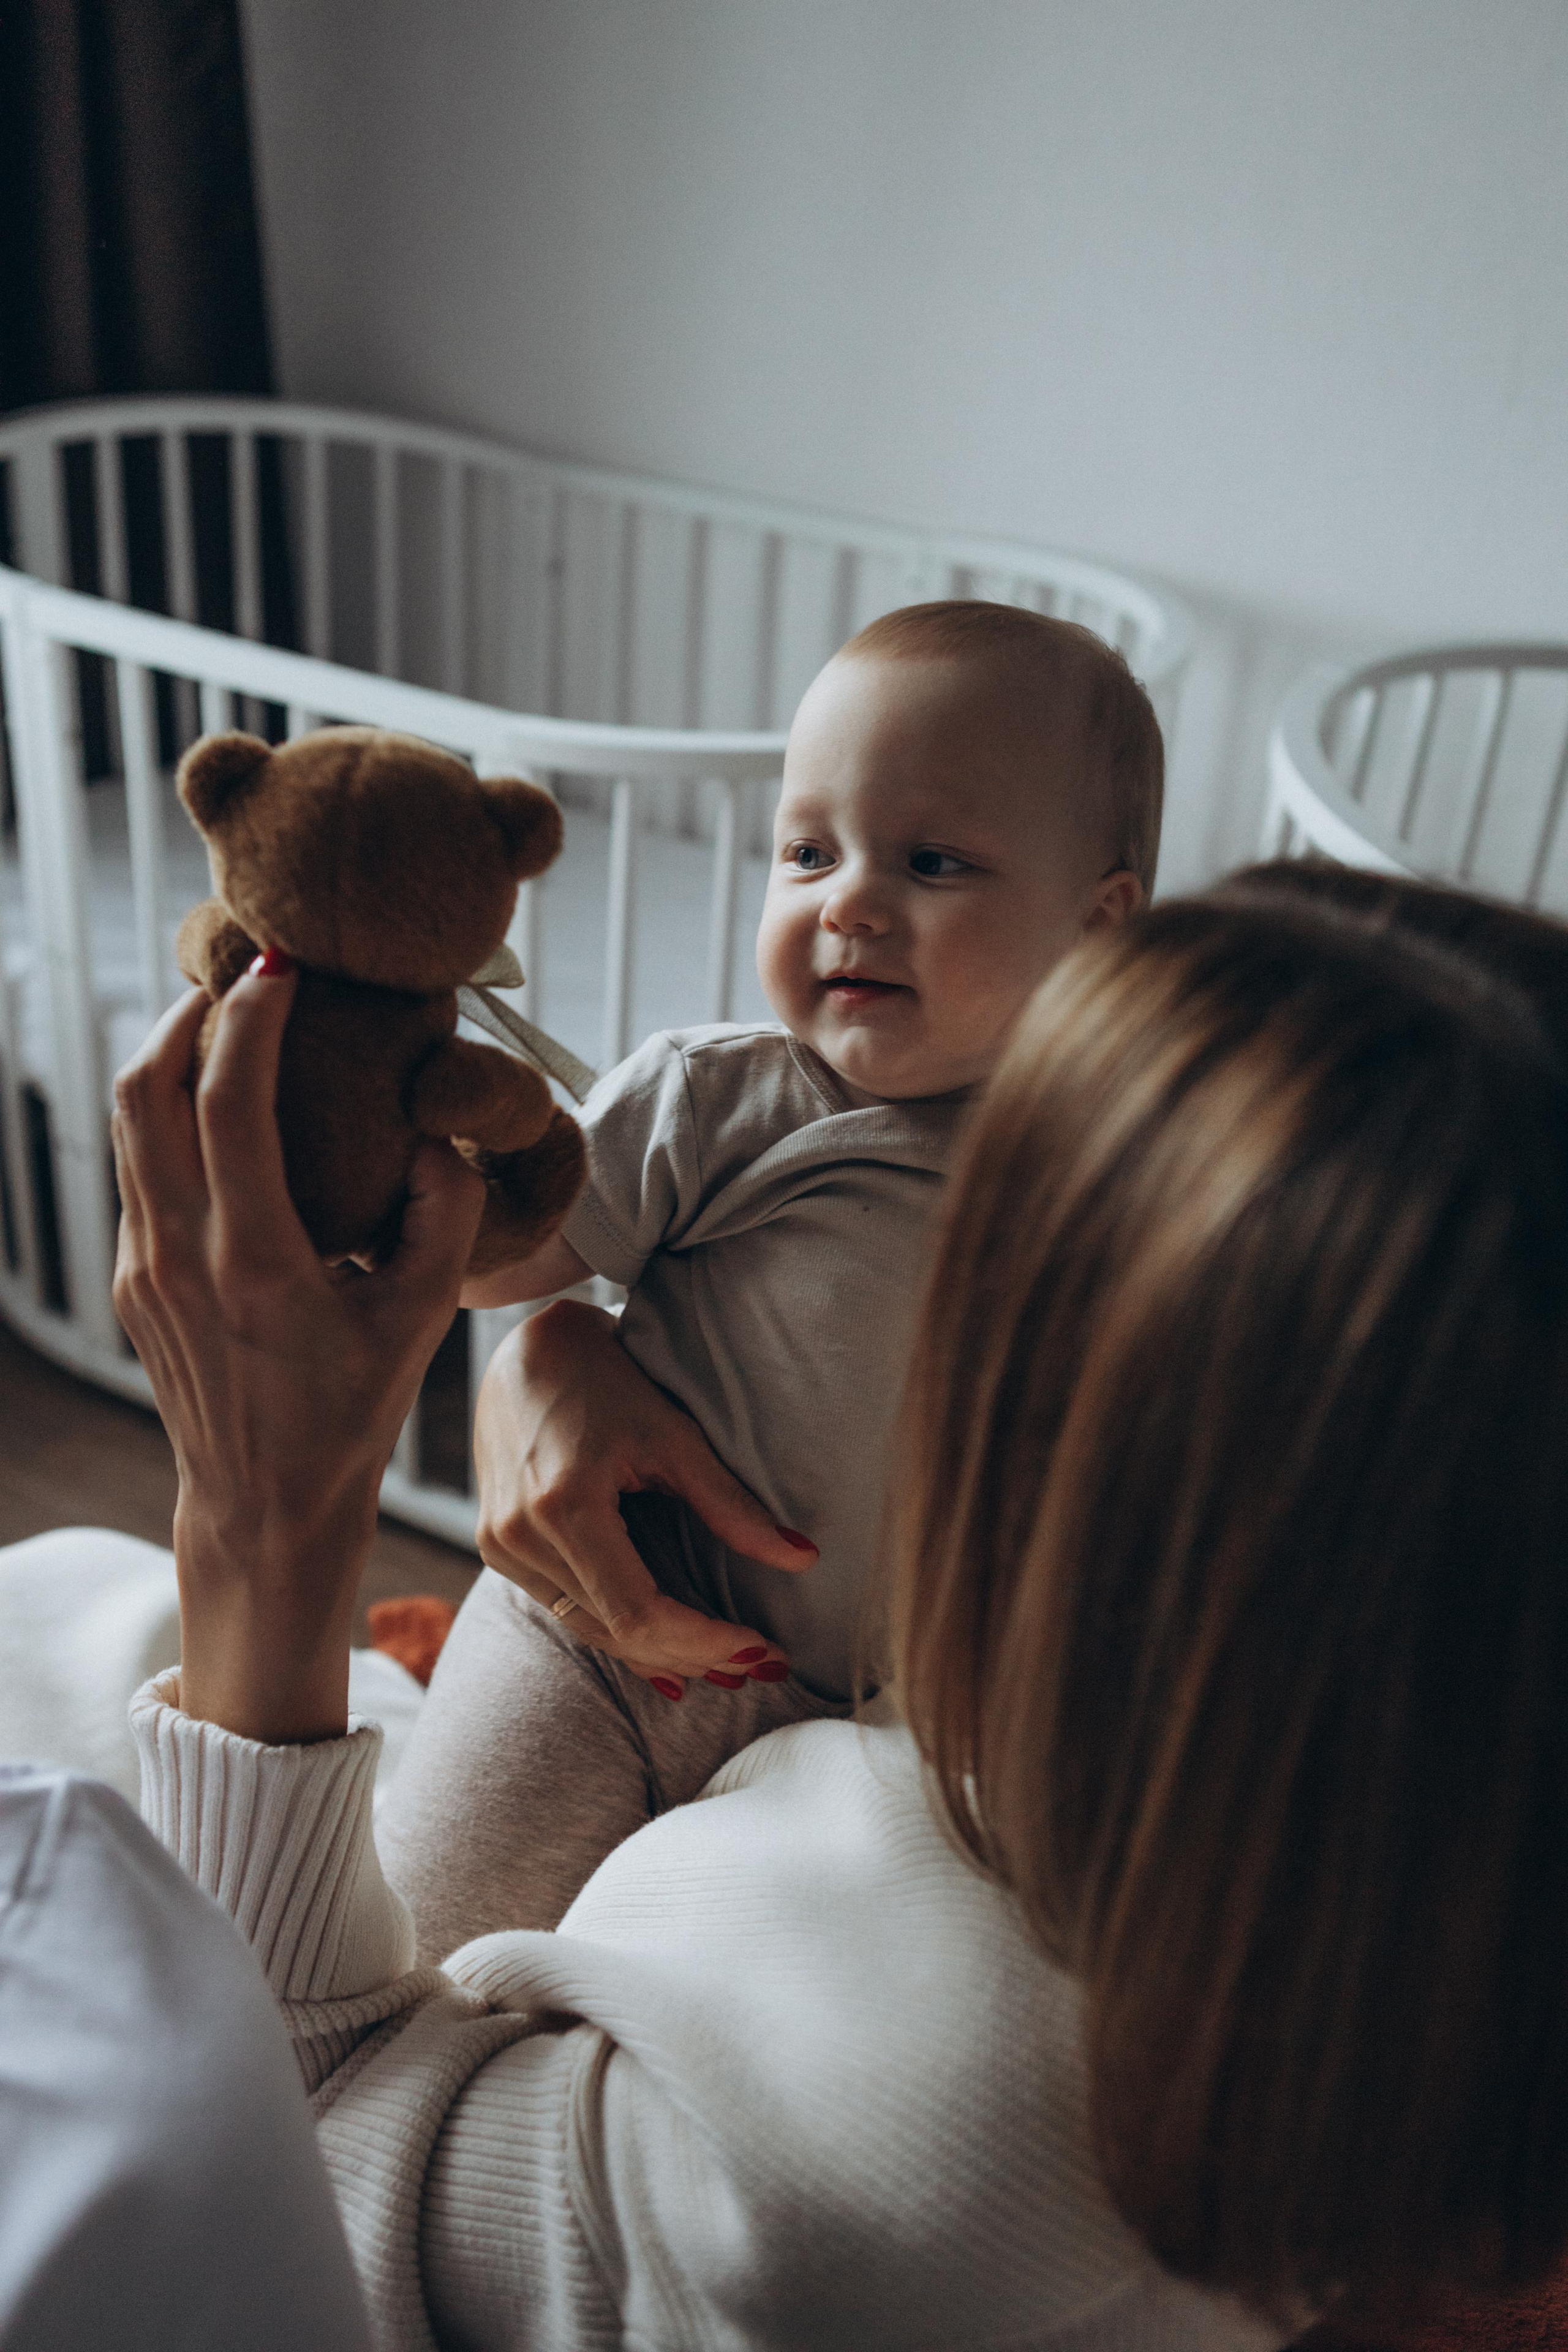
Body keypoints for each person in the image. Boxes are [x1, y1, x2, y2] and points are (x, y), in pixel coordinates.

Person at [78, 864, 1568, 2347]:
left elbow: (273, 2191)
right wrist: (572, 1357)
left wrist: (263, 1521)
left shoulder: (904, 2166)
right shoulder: (1392, 1847)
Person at [381, 600, 1159, 1950]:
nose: (846, 900)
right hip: (611, 1645)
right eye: (806, 851)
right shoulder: (720, 1096)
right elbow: (489, 1267)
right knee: (432, 1948)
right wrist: (399, 1129)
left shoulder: (1109, 1173)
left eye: (930, 861)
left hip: (883, 1739)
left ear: (1097, 928)